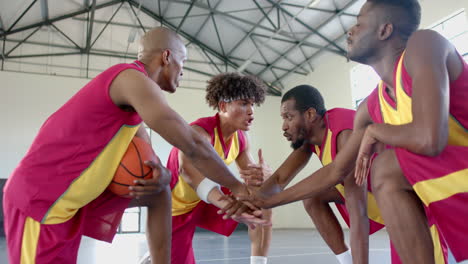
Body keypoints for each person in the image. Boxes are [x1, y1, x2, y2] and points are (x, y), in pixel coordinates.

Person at [230, 0, 468, 263]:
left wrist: (376, 131)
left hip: (451, 178)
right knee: (384, 172)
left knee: (386, 167)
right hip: (435, 192)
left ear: (385, 30)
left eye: (359, 22)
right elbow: (334, 172)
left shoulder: (424, 45)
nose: (350, 30)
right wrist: (262, 202)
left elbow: (429, 138)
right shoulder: (369, 107)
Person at [3, 27, 255, 264]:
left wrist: (159, 172)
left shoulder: (135, 102)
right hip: (39, 199)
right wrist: (236, 187)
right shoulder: (129, 78)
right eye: (184, 62)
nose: (183, 71)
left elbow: (146, 145)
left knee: (159, 187)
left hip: (68, 203)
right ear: (167, 57)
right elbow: (191, 144)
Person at [151, 72, 271, 264]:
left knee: (261, 202)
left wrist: (264, 177)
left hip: (205, 201)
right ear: (223, 106)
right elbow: (189, 173)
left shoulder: (240, 138)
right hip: (176, 206)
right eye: (243, 103)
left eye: (252, 104)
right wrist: (228, 206)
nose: (251, 111)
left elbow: (251, 182)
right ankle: (153, 258)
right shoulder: (199, 132)